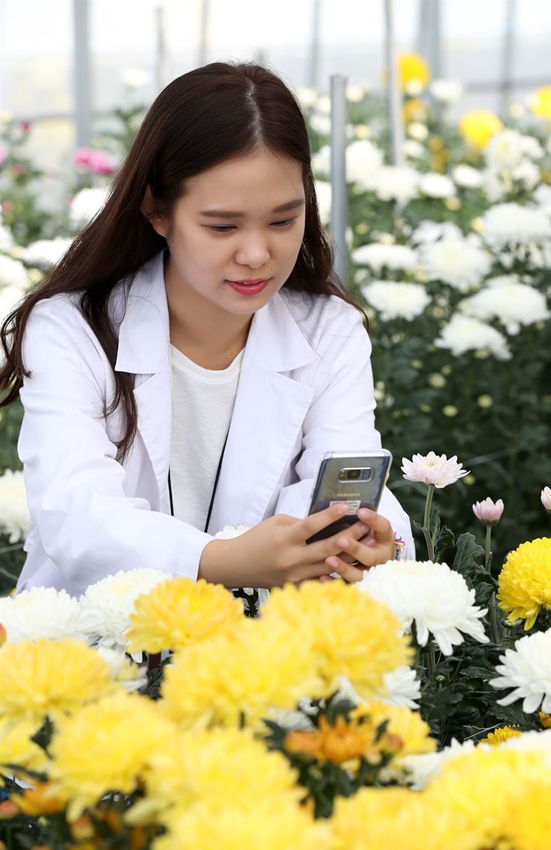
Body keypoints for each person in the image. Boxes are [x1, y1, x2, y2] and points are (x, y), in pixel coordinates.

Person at [0, 62, 413, 598]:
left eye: (284, 220)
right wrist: (220, 560)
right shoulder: (72, 330)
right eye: (222, 226)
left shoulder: (329, 331)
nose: (257, 254)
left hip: (261, 648)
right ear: (156, 210)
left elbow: (343, 476)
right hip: (94, 641)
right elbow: (77, 518)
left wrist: (370, 538)